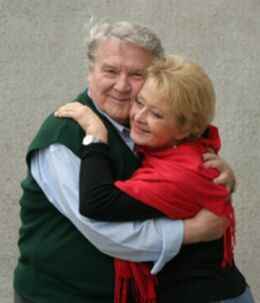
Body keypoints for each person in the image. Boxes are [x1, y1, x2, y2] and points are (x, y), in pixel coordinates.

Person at [14, 21, 237, 303]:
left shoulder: (149, 128)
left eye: (136, 74)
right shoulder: (62, 138)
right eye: (110, 71)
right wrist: (189, 232)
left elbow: (185, 171)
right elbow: (107, 233)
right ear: (90, 73)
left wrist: (224, 177)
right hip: (59, 296)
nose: (121, 86)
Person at [55, 55, 255, 303]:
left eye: (156, 114)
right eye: (139, 102)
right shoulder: (184, 152)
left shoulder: (180, 173)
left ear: (185, 128)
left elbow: (96, 203)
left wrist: (95, 135)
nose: (139, 117)